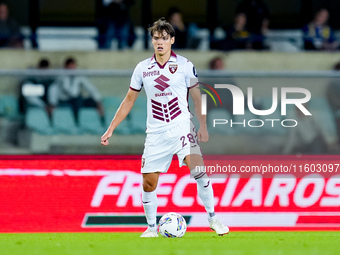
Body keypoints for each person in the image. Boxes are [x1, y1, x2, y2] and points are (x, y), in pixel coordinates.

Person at [101, 18, 229, 237]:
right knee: (149, 183)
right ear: (152, 41)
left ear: (172, 40)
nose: (159, 42)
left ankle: (213, 218)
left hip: (181, 128)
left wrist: (203, 126)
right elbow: (129, 99)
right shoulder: (142, 68)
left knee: (199, 171)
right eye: (156, 38)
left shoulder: (185, 65)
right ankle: (151, 228)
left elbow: (197, 98)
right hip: (156, 133)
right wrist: (111, 128)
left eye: (164, 38)